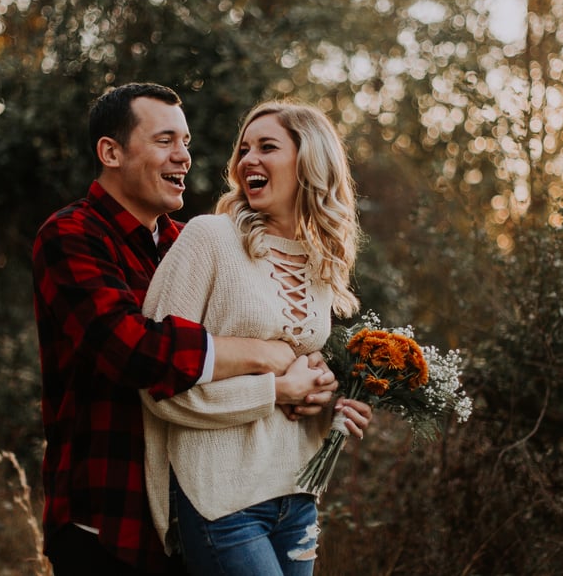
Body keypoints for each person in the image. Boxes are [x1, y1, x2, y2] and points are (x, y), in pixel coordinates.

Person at [31, 84, 337, 576]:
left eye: (187, 142)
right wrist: (267, 358)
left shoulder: (188, 240)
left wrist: (326, 385)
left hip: (188, 503)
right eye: (165, 141)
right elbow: (134, 351)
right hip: (106, 515)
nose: (184, 157)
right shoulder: (71, 236)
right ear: (111, 152)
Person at [140, 100, 374, 576]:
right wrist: (274, 390)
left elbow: (299, 389)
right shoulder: (209, 239)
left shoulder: (320, 264)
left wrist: (330, 402)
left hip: (297, 499)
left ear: (309, 162)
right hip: (222, 498)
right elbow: (158, 386)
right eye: (244, 149)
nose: (249, 160)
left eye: (268, 147)